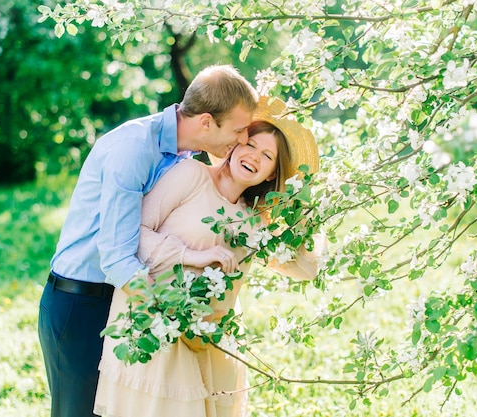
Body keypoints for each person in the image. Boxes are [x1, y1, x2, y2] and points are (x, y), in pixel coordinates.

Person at [38, 64, 259, 417]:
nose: (242, 140)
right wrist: (176, 314)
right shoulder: (134, 149)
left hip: (117, 301)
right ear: (206, 122)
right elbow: (116, 258)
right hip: (80, 302)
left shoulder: (184, 154)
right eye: (237, 130)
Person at [94, 96, 321, 417]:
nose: (254, 157)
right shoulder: (191, 174)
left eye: (267, 156)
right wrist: (192, 256)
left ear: (272, 174)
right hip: (158, 328)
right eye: (251, 145)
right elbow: (137, 234)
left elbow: (306, 269)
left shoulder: (254, 222)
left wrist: (305, 211)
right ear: (235, 144)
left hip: (210, 343)